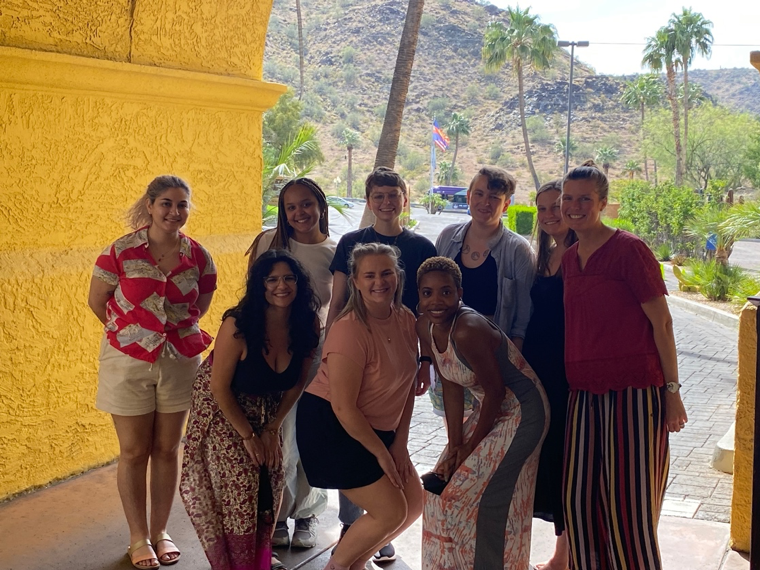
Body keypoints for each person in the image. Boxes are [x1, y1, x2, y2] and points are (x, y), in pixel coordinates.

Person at [560, 161, 688, 570]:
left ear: (602, 203)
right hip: (582, 391)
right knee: (578, 501)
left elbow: (662, 323)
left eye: (584, 199)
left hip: (634, 391)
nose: (574, 206)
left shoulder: (629, 249)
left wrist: (672, 393)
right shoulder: (569, 258)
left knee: (628, 505)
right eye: (568, 198)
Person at [87, 175, 217, 569]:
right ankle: (137, 537)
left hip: (179, 360)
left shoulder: (199, 256)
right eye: (166, 203)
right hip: (128, 361)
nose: (174, 212)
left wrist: (170, 333)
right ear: (150, 205)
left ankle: (161, 531)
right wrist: (135, 334)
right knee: (133, 451)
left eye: (181, 205)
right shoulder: (120, 252)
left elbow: (203, 301)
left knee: (166, 449)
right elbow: (97, 301)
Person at [180, 250, 320, 570]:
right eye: (271, 279)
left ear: (299, 283)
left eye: (288, 278)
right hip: (222, 407)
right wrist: (248, 436)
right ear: (260, 285)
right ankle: (237, 563)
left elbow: (296, 382)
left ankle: (258, 557)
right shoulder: (238, 324)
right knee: (242, 484)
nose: (280, 286)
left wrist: (271, 430)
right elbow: (218, 388)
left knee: (270, 480)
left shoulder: (306, 323)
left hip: (267, 408)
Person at [325, 167, 435, 562]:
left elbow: (424, 310)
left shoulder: (421, 245)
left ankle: (378, 525)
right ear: (369, 201)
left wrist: (424, 359)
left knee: (388, 426)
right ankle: (354, 525)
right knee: (352, 425)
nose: (387, 202)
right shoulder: (352, 242)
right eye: (379, 196)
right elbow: (338, 301)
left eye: (394, 195)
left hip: (399, 355)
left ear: (405, 199)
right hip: (360, 352)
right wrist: (331, 349)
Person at [416, 257, 548, 569]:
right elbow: (450, 384)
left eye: (446, 292)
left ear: (459, 292)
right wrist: (454, 443)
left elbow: (496, 391)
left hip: (522, 412)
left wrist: (468, 448)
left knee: (486, 495)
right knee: (442, 490)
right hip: (490, 408)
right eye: (427, 293)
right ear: (418, 296)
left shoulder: (468, 330)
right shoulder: (425, 325)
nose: (436, 301)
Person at [298, 243, 423, 570]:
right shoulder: (349, 328)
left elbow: (408, 386)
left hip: (376, 429)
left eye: (386, 273)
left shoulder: (407, 319)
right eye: (369, 275)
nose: (378, 281)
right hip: (332, 428)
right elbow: (343, 407)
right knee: (391, 511)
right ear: (354, 281)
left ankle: (354, 564)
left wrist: (400, 444)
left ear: (397, 276)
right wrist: (382, 453)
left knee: (412, 505)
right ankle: (336, 566)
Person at [247, 178, 336, 549]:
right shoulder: (269, 242)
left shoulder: (336, 250)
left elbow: (341, 306)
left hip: (315, 354)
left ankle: (307, 512)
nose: (299, 213)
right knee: (278, 433)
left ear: (320, 205)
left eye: (306, 204)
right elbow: (251, 295)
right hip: (270, 351)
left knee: (307, 434)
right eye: (290, 207)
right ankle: (277, 514)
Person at [429, 166, 535, 417]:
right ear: (468, 196)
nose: (484, 202)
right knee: (453, 432)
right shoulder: (446, 238)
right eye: (479, 194)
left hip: (492, 359)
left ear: (506, 205)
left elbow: (523, 317)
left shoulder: (517, 250)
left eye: (494, 198)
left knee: (487, 433)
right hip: (449, 357)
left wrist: (509, 366)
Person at [521, 180, 577, 570]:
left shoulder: (583, 253)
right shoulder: (545, 255)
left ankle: (566, 556)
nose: (549, 215)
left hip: (569, 369)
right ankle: (564, 553)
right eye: (542, 209)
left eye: (556, 205)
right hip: (540, 367)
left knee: (567, 459)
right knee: (550, 456)